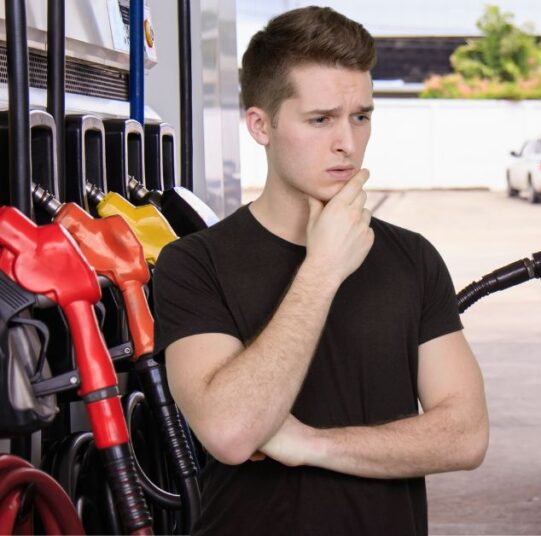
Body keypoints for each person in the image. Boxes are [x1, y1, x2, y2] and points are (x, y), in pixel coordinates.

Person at [152, 6, 489, 535]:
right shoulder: (194, 264)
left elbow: (465, 435)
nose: (347, 144)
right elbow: (231, 432)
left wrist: (307, 443)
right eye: (320, 119)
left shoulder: (412, 258)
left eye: (361, 116)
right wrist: (323, 270)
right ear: (261, 125)